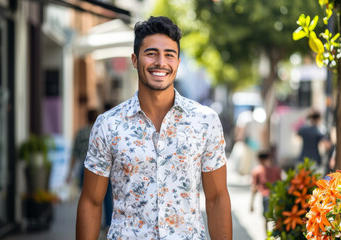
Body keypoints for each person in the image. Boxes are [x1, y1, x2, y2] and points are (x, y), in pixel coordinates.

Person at [76, 16, 232, 240]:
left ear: (178, 62)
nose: (161, 62)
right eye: (151, 53)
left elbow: (217, 197)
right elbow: (91, 201)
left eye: (169, 54)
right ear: (134, 60)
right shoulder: (108, 125)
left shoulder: (205, 122)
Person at [250, 150, 281, 233]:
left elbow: (254, 188)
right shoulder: (276, 169)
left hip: (266, 197)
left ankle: (267, 236)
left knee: (266, 219)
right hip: (276, 196)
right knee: (278, 218)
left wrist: (251, 204)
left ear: (259, 159)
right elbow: (281, 184)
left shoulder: (257, 170)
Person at [66, 109, 98, 188]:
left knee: (85, 195)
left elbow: (75, 154)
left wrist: (70, 173)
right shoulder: (100, 131)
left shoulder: (81, 132)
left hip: (84, 167)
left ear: (87, 118)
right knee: (106, 198)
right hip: (99, 166)